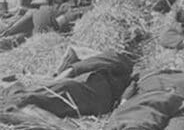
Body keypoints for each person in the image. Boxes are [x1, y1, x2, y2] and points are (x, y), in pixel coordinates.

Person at [1, 48, 133, 119]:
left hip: (86, 90)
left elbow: (72, 59)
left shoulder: (113, 57)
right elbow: (71, 54)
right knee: (39, 101)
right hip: (96, 101)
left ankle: (12, 99)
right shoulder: (119, 71)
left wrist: (57, 76)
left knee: (26, 98)